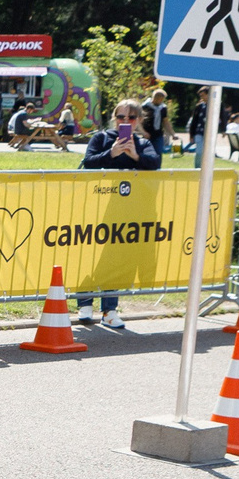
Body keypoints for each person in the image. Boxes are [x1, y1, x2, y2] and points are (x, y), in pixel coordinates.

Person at [74, 100, 162, 331]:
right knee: (91, 254)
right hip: (97, 207)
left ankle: (109, 310)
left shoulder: (143, 143)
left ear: (139, 120)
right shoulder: (101, 138)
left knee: (115, 258)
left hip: (127, 210)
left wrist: (135, 156)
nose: (125, 122)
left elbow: (155, 163)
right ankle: (84, 302)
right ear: (114, 117)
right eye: (121, 117)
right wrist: (111, 153)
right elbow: (88, 162)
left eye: (131, 118)